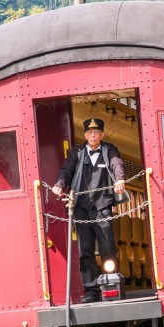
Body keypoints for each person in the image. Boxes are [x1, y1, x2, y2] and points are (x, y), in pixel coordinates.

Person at [52, 118, 126, 303]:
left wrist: (120, 179)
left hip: (103, 207)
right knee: (85, 250)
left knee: (107, 247)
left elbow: (117, 164)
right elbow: (66, 170)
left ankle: (111, 282)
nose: (93, 135)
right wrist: (59, 185)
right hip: (81, 208)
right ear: (85, 135)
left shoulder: (110, 150)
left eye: (96, 132)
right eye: (90, 132)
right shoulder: (77, 152)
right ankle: (91, 290)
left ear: (102, 134)